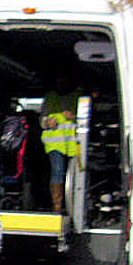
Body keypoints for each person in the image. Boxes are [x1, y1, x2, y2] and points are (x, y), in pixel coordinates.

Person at [41, 75, 80, 213]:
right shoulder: (50, 97)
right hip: (55, 145)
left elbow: (86, 118)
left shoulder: (77, 96)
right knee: (57, 172)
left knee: (75, 176)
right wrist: (47, 123)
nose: (61, 84)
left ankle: (73, 207)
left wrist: (74, 117)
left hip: (73, 145)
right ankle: (57, 206)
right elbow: (42, 120)